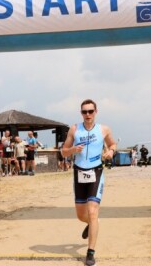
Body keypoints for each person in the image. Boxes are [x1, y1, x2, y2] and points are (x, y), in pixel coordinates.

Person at [61, 99, 116, 266]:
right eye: (84, 112)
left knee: (92, 211)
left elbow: (112, 144)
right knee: (81, 215)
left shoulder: (104, 129)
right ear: (81, 113)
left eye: (90, 111)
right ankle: (93, 224)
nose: (87, 115)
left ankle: (90, 252)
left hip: (96, 172)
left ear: (96, 112)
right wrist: (72, 150)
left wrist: (111, 152)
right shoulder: (74, 129)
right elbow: (63, 152)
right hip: (79, 173)